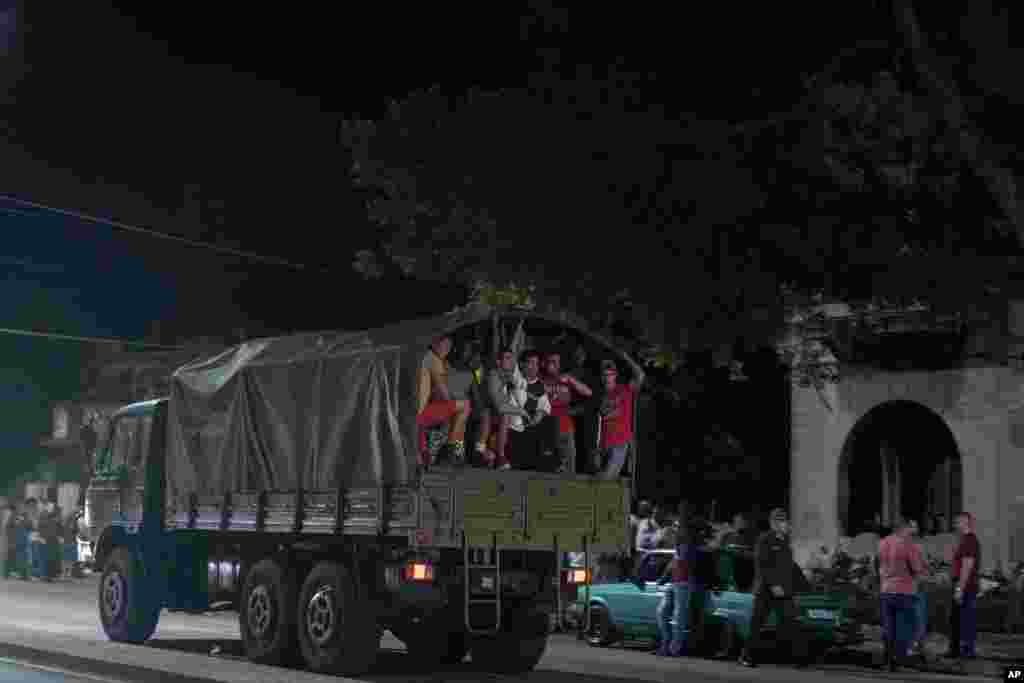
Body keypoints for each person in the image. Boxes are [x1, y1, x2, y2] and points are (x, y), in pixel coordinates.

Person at [739, 508, 808, 668]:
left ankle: (797, 658)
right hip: (765, 590)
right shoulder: (765, 540)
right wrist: (774, 585)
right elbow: (762, 564)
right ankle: (746, 656)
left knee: (791, 623)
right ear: (774, 523)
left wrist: (804, 584)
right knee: (757, 625)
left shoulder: (785, 542)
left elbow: (791, 567)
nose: (786, 524)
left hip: (784, 592)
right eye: (782, 521)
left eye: (786, 521)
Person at [877, 517, 927, 671]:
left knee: (888, 626)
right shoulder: (908, 544)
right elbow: (917, 569)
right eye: (909, 529)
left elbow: (877, 564)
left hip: (886, 589)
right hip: (904, 591)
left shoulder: (882, 543)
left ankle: (887, 658)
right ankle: (897, 661)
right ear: (903, 528)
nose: (912, 532)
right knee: (903, 627)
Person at [416, 334, 472, 466]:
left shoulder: (419, 355)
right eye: (445, 345)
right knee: (464, 406)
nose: (447, 350)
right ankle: (451, 449)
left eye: (449, 346)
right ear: (434, 343)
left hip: (410, 414)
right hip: (420, 414)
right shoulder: (433, 359)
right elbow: (444, 393)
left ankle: (442, 451)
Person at [656, 501, 698, 657]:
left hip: (684, 580)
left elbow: (683, 558)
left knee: (678, 615)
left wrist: (668, 572)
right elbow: (676, 558)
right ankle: (667, 644)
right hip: (676, 579)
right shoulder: (681, 532)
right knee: (662, 612)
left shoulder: (688, 533)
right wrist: (665, 576)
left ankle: (674, 648)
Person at [540, 351, 592, 475]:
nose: (554, 364)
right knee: (550, 467)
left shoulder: (566, 379)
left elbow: (588, 392)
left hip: (566, 427)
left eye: (556, 362)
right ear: (545, 364)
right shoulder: (541, 380)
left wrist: (571, 379)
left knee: (569, 467)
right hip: (547, 428)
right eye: (551, 361)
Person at [596, 358, 645, 479]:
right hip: (604, 444)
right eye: (604, 374)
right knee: (602, 478)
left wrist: (626, 357)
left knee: (607, 478)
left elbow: (640, 375)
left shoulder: (625, 389)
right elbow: (600, 421)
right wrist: (598, 448)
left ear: (615, 375)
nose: (607, 377)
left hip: (620, 442)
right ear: (601, 377)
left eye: (610, 374)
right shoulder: (601, 395)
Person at [484, 347, 531, 470]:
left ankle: (498, 455)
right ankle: (499, 456)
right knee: (506, 414)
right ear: (499, 362)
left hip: (497, 420)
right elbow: (500, 407)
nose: (511, 361)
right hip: (483, 416)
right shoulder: (493, 375)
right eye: (507, 358)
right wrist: (522, 412)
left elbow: (520, 393)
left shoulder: (509, 377)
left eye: (512, 358)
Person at [946, 511, 980, 660]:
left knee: (964, 619)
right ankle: (958, 650)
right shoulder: (964, 540)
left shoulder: (969, 541)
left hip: (965, 586)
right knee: (957, 619)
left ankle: (966, 651)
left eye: (958, 522)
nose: (955, 524)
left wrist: (959, 588)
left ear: (966, 523)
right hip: (963, 584)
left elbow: (967, 565)